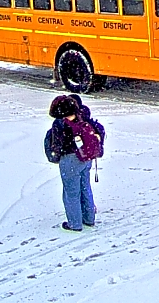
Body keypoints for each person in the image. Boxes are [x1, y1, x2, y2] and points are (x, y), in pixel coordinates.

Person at [47, 94, 103, 231]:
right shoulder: (82, 119)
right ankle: (89, 219)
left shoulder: (60, 124)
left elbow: (56, 146)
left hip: (70, 160)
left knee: (71, 192)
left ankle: (74, 224)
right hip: (86, 157)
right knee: (85, 188)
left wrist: (56, 155)